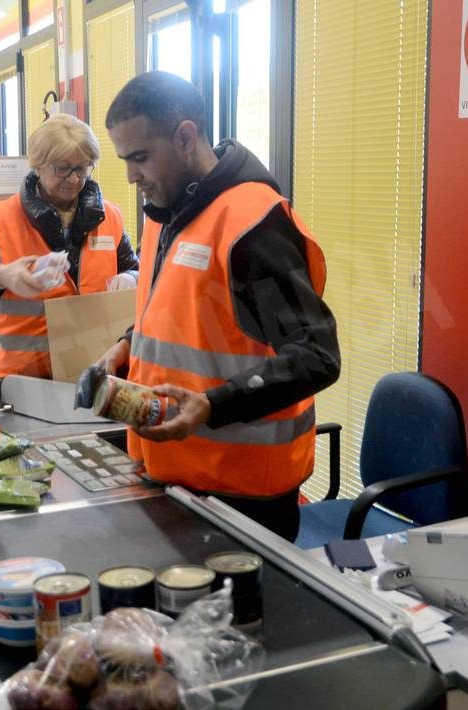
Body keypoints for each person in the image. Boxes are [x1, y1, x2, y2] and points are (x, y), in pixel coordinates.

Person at [97, 71, 340, 542]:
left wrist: (212, 405)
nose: (131, 176)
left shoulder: (253, 227)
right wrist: (126, 346)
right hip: (176, 478)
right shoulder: (168, 213)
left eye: (140, 157)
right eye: (125, 160)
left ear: (186, 137)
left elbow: (315, 355)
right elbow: (184, 313)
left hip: (243, 500)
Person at [0, 113, 139, 379]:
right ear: (37, 165)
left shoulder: (110, 216)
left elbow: (137, 271)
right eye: (62, 168)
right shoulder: (4, 219)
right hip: (21, 379)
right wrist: (1, 276)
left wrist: (130, 278)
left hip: (96, 372)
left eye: (82, 168)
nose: (74, 179)